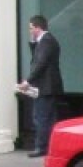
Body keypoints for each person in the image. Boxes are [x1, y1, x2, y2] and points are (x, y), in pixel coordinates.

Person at [19, 14, 63, 158]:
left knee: (42, 118)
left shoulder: (47, 42)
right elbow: (37, 59)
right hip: (46, 87)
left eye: (31, 28)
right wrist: (33, 43)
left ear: (38, 27)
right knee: (46, 118)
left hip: (46, 87)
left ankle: (42, 147)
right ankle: (48, 146)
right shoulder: (44, 41)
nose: (30, 31)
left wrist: (28, 81)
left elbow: (40, 64)